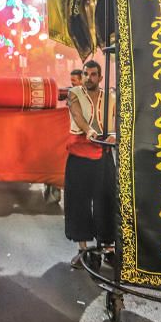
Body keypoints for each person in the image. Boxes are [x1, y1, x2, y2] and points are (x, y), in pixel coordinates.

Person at [65, 60, 116, 267]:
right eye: (86, 74)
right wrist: (89, 131)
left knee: (107, 200)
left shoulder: (110, 97)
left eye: (93, 74)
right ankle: (83, 249)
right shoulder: (74, 93)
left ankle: (108, 248)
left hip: (103, 155)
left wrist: (113, 134)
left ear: (100, 78)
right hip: (79, 156)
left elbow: (118, 119)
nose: (88, 78)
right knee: (79, 203)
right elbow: (77, 115)